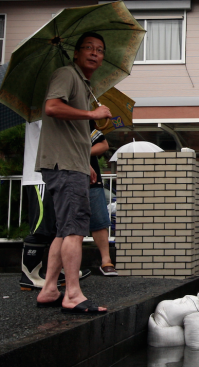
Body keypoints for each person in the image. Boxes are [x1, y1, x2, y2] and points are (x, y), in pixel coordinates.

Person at [35, 32, 112, 314]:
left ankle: (49, 289)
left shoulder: (82, 82)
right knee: (76, 230)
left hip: (72, 164)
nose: (94, 53)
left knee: (64, 230)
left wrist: (86, 164)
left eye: (100, 50)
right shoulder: (67, 74)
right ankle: (72, 294)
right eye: (88, 48)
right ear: (77, 52)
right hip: (64, 165)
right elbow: (52, 107)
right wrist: (92, 115)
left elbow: (75, 134)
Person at [20, 121, 91, 290]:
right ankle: (29, 275)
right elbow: (59, 134)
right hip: (39, 178)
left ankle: (57, 272)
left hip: (54, 175)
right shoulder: (43, 109)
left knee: (57, 228)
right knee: (41, 228)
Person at [89, 120, 117, 276]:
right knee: (70, 225)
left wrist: (82, 152)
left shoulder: (86, 121)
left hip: (92, 181)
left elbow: (103, 145)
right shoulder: (60, 122)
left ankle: (106, 260)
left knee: (99, 219)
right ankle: (67, 266)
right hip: (68, 178)